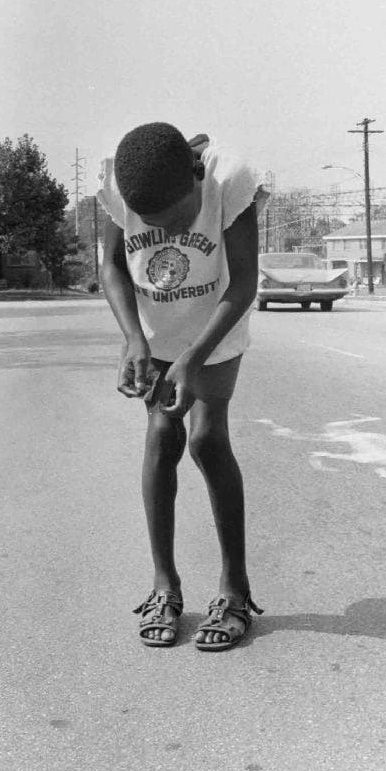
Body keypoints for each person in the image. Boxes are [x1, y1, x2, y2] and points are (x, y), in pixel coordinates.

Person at [98, 122, 267, 651]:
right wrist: (132, 339)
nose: (164, 232)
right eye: (153, 225)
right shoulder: (115, 185)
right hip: (158, 330)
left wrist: (195, 357)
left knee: (206, 439)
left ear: (196, 180)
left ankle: (235, 591)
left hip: (217, 323)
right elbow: (111, 268)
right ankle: (164, 586)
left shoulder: (230, 181)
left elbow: (243, 281)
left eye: (176, 220)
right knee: (160, 437)